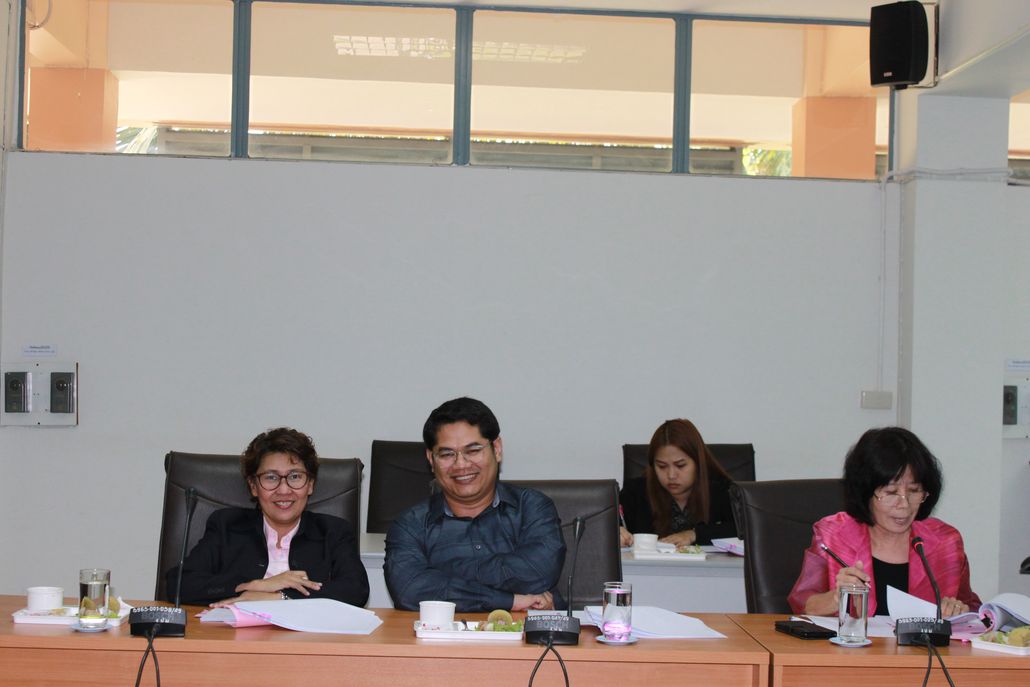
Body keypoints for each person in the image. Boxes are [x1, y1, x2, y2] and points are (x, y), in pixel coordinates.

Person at [384, 397, 566, 612]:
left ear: (496, 449)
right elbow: (409, 589)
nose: (461, 465)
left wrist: (441, 574)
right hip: (443, 634)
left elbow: (537, 573)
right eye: (447, 454)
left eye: (473, 451)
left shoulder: (532, 507)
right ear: (431, 460)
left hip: (528, 633)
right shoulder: (411, 525)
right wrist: (511, 601)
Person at [788, 427, 980, 617]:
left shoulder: (946, 543)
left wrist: (959, 611)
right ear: (865, 493)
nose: (904, 504)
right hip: (850, 639)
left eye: (914, 491)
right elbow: (802, 604)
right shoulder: (832, 536)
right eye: (891, 492)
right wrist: (835, 598)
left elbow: (973, 609)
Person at [172, 427, 369, 607]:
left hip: (306, 634)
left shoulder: (333, 531)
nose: (283, 490)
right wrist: (254, 585)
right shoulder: (226, 525)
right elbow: (178, 584)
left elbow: (356, 589)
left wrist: (280, 596)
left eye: (295, 477)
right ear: (253, 486)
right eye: (271, 477)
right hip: (236, 632)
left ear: (310, 484)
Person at [619, 419, 736, 548]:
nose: (671, 475)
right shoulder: (635, 492)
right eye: (662, 466)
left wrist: (694, 534)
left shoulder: (723, 490)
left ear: (698, 462)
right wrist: (617, 531)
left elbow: (743, 528)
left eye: (680, 465)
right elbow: (609, 520)